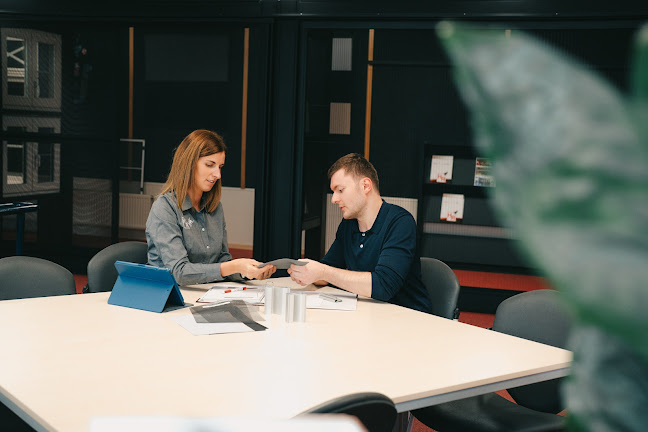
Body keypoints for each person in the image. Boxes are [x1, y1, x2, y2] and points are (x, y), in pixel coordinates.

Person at [288, 153, 432, 314]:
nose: (333, 199)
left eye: (340, 190)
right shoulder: (349, 225)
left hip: (410, 321)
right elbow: (329, 269)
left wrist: (323, 272)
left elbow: (383, 286)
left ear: (365, 186)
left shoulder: (400, 223)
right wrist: (310, 273)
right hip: (371, 317)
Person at [146, 129, 275, 285]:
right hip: (171, 299)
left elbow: (221, 260)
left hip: (206, 295)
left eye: (220, 167)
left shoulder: (215, 207)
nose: (218, 175)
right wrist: (233, 266)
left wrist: (247, 272)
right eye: (210, 165)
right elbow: (179, 272)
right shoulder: (164, 208)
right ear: (189, 163)